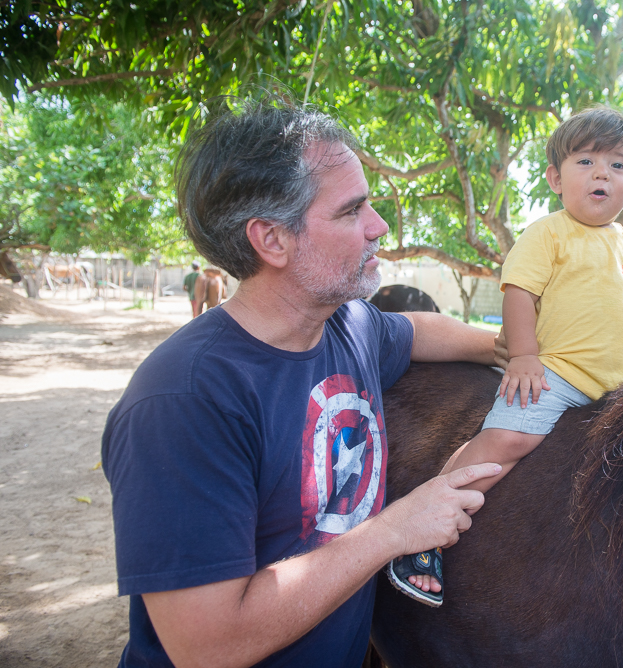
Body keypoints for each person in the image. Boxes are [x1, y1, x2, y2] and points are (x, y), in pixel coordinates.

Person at [101, 98, 502, 668]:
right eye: (350, 211)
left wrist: (510, 345)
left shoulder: (346, 326)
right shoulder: (183, 401)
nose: (379, 226)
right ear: (271, 240)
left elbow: (413, 332)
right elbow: (210, 646)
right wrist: (394, 530)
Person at [388, 106, 623, 606]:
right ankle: (424, 530)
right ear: (555, 179)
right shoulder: (549, 232)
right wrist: (523, 357)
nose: (602, 172)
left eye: (617, 164)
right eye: (585, 162)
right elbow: (519, 291)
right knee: (506, 440)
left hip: (617, 385)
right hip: (556, 374)